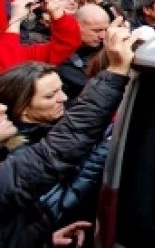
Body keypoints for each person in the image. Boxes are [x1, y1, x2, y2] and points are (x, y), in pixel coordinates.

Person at [0, 25, 136, 247]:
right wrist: (107, 148)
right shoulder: (16, 152)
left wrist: (43, 238)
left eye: (61, 89)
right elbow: (57, 158)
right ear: (23, 109)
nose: (63, 98)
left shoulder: (48, 126)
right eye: (50, 95)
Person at [55, 4, 109, 103]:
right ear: (76, 26)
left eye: (106, 30)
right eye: (97, 30)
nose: (103, 36)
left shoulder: (105, 47)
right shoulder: (59, 52)